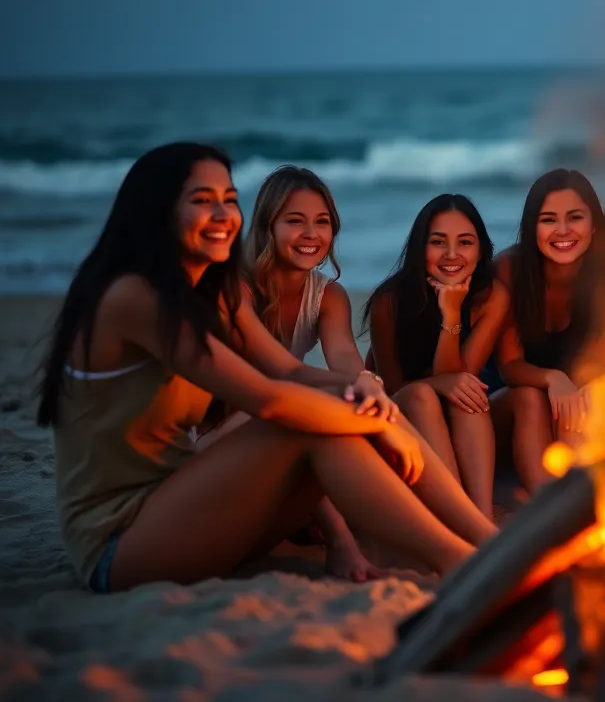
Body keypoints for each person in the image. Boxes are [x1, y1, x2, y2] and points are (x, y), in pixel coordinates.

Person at [38, 142, 497, 594]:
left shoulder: (213, 292)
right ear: (158, 210)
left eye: (228, 200)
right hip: (120, 543)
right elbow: (268, 397)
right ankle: (464, 563)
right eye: (203, 202)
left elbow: (289, 370)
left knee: (346, 406)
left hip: (189, 511)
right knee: (313, 420)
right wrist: (381, 424)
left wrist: (367, 390)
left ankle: (488, 546)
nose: (222, 215)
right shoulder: (135, 296)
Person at [193, 164, 382, 582]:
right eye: (295, 221)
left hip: (273, 424)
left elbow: (344, 355)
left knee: (356, 404)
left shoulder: (327, 294)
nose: (311, 234)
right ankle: (340, 544)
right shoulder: (235, 285)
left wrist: (367, 383)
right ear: (267, 226)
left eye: (323, 222)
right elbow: (280, 375)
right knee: (305, 411)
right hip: (215, 437)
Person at [493, 168, 605, 493]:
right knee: (531, 396)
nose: (562, 230)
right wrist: (552, 378)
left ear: (593, 225)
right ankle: (545, 504)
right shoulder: (509, 269)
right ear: (532, 227)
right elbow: (509, 366)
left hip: (571, 414)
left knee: (586, 396)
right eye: (548, 219)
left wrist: (596, 384)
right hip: (508, 407)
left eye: (574, 217)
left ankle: (575, 503)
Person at [364, 194, 510, 518]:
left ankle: (480, 519)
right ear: (420, 248)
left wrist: (452, 315)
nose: (452, 254)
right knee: (422, 395)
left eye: (466, 242)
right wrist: (437, 383)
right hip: (405, 424)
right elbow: (392, 391)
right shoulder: (388, 302)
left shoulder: (492, 296)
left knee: (468, 394)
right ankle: (458, 516)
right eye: (438, 242)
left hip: (466, 422)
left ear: (481, 250)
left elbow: (461, 375)